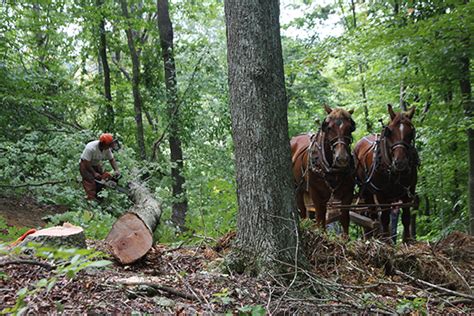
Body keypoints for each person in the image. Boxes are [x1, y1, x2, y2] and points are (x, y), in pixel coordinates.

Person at [79, 133, 120, 200]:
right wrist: (94, 173)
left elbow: (111, 159)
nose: (109, 146)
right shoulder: (90, 148)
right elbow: (86, 163)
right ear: (103, 143)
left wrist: (116, 170)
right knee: (90, 182)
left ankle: (99, 198)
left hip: (96, 164)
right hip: (85, 165)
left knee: (102, 179)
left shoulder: (107, 148)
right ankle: (90, 200)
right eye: (108, 145)